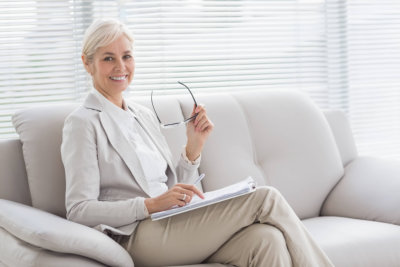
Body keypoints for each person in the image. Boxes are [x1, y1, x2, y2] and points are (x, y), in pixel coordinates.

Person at [61, 18, 334, 267]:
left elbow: (174, 189)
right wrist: (149, 206)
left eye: (127, 56)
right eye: (109, 58)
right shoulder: (83, 123)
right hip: (136, 235)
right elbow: (78, 210)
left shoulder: (142, 116)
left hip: (172, 222)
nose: (121, 67)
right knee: (266, 198)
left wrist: (194, 147)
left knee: (267, 240)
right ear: (88, 63)